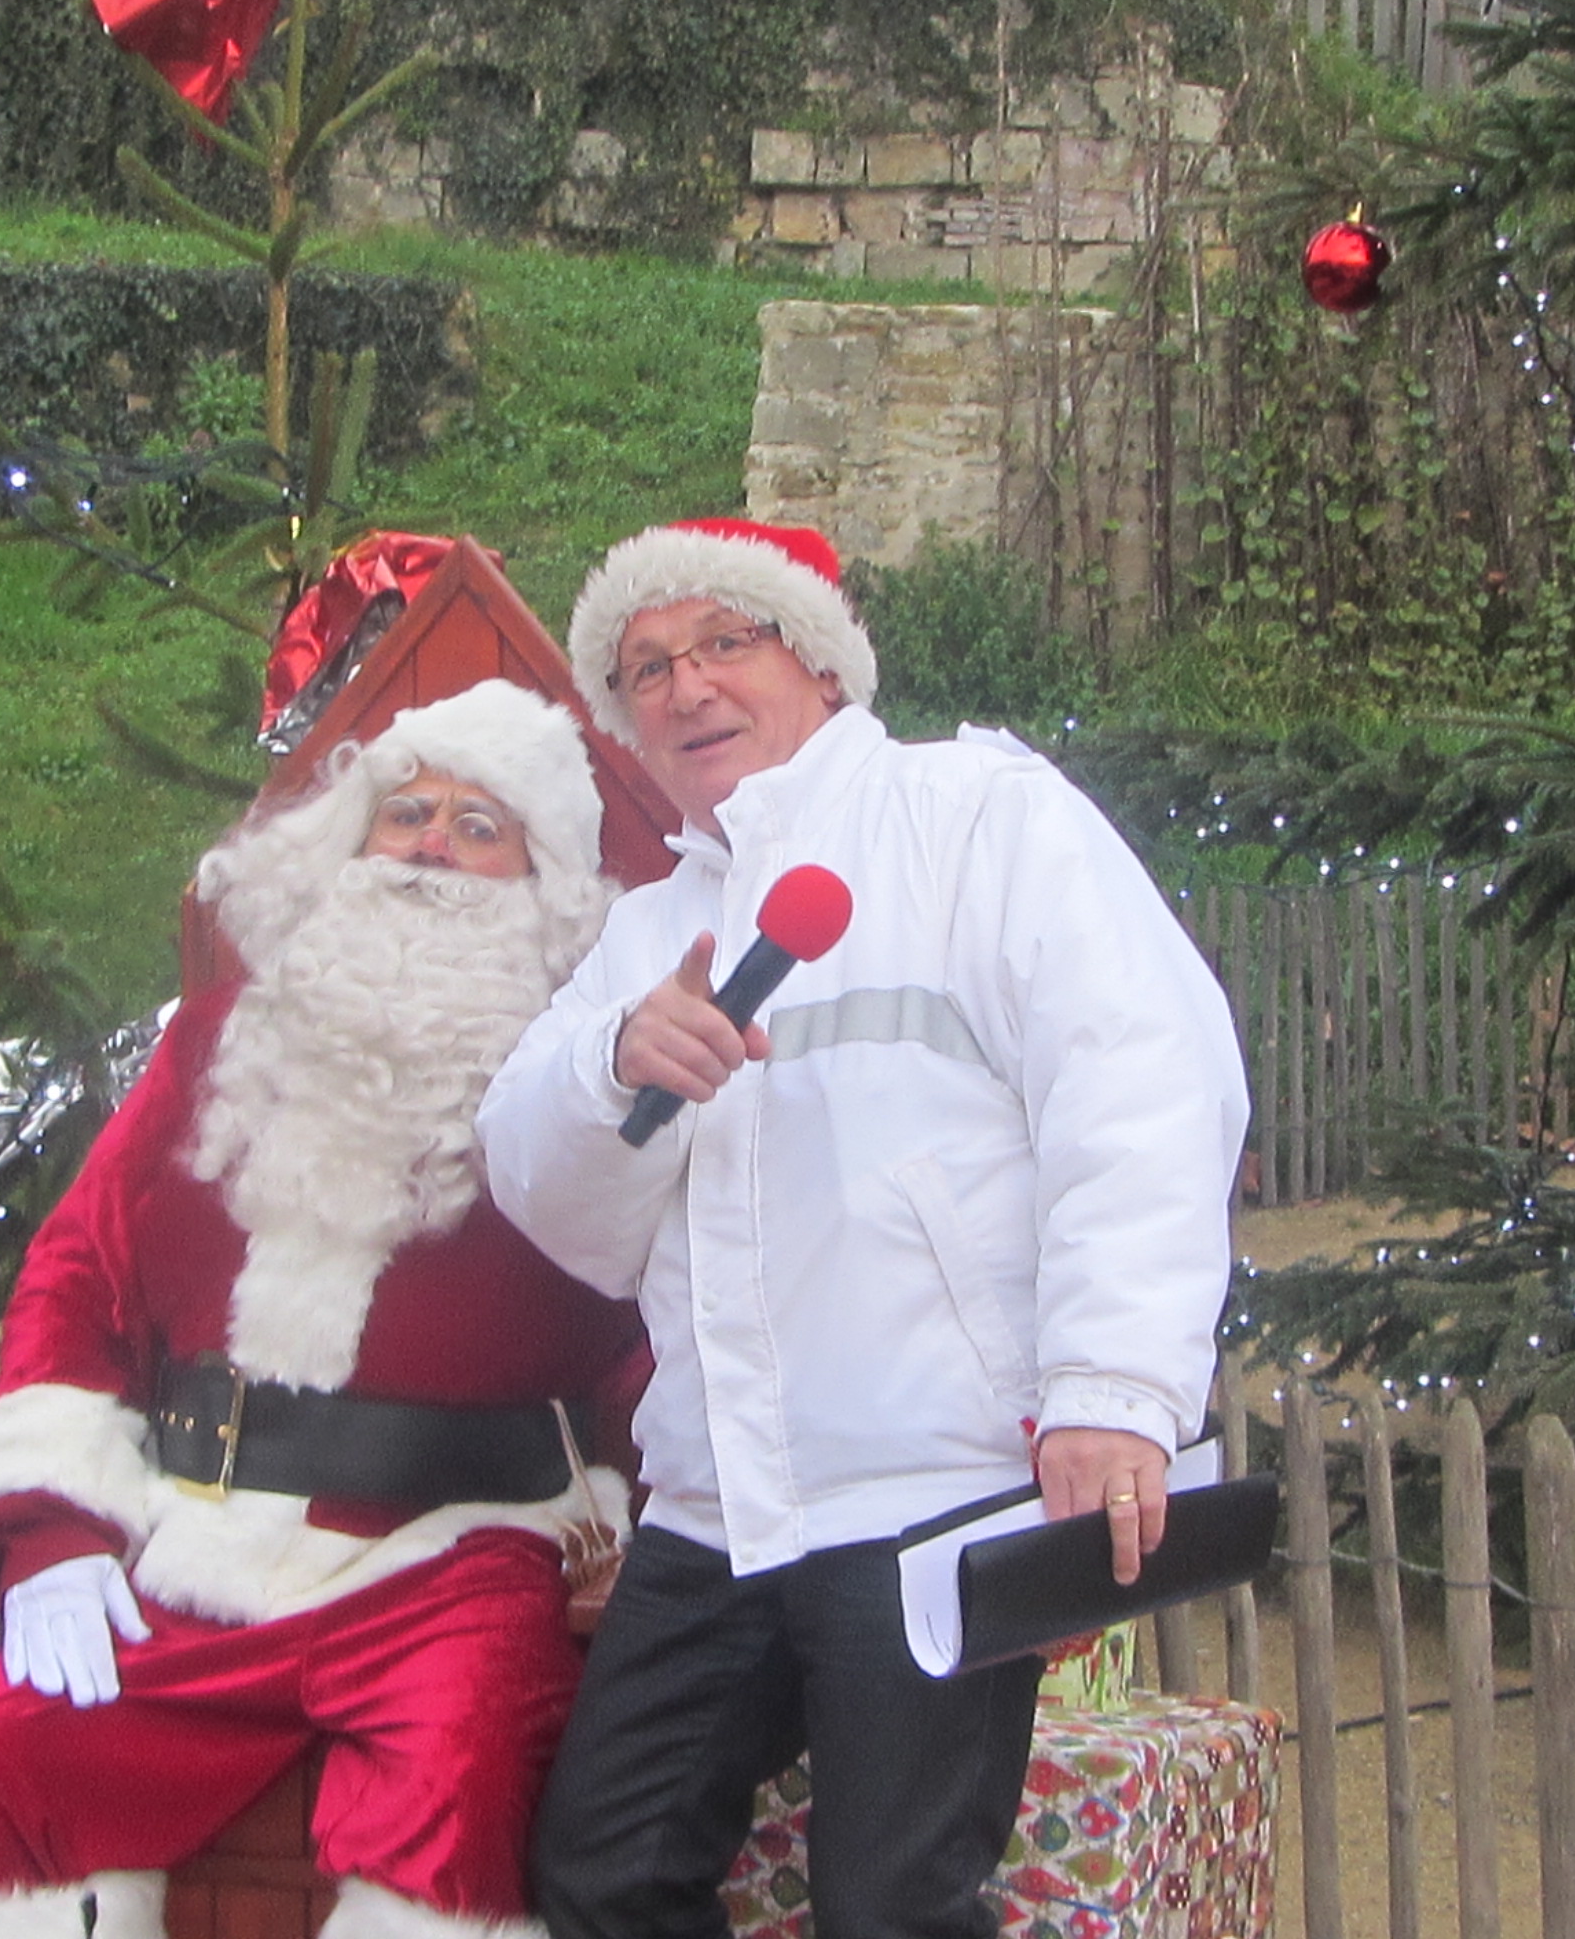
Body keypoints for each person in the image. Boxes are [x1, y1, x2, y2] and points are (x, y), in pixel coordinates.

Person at [475, 519, 1248, 1939]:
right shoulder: (648, 933)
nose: (685, 687)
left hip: (931, 1496)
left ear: (820, 665)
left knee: (892, 1909)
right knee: (600, 1873)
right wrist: (610, 1071)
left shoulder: (978, 818)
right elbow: (558, 1207)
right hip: (718, 1508)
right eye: (646, 667)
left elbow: (1140, 1083)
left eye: (725, 642)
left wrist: (1113, 1388)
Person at [0, 680, 650, 1939]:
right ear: (350, 839)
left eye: (478, 827)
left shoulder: (579, 1076)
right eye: (406, 814)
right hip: (205, 1541)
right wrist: (49, 1533)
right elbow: (80, 1274)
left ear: (543, 879)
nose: (430, 850)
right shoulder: (220, 1041)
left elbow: (655, 1319)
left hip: (460, 1553)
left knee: (450, 1802)